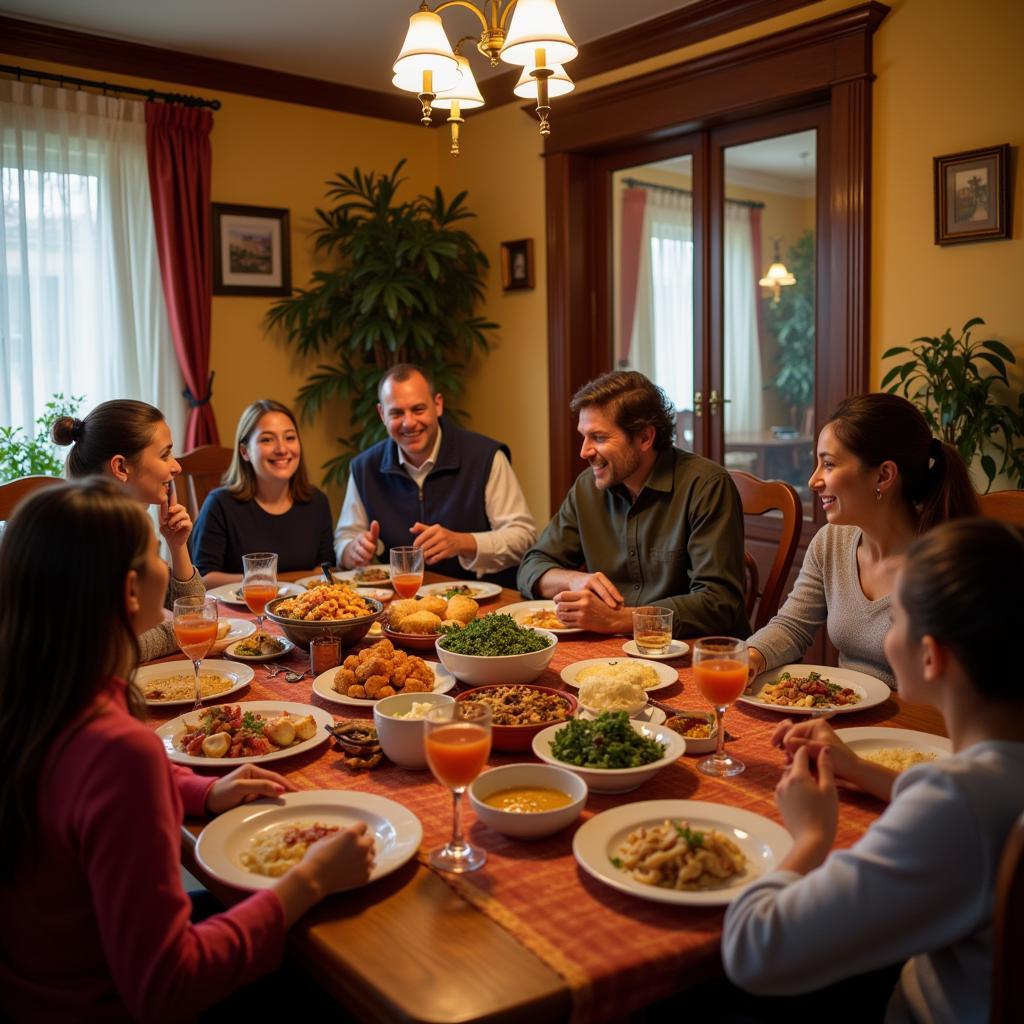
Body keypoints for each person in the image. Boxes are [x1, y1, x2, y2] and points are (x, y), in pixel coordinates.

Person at [0, 478, 375, 1021]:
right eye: (153, 554)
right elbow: (168, 985)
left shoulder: (33, 700)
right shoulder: (122, 751)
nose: (165, 566)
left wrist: (202, 789)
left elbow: (80, 789)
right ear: (131, 590)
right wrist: (310, 880)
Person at [722, 517, 1024, 1022]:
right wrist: (862, 770)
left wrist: (812, 835)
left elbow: (754, 950)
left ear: (930, 658)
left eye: (897, 621)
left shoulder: (956, 804)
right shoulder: (989, 781)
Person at [746, 393, 978, 687]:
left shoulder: (947, 565)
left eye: (828, 465)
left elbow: (964, 686)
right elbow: (793, 626)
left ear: (883, 476)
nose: (813, 481)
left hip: (919, 725)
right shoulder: (831, 541)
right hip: (844, 712)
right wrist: (750, 656)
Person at [517, 370, 748, 638]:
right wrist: (572, 579)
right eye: (584, 436)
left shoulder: (707, 486)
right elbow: (531, 567)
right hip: (616, 652)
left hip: (699, 655)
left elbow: (719, 603)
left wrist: (619, 620)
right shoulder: (586, 488)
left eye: (599, 438)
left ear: (644, 438)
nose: (584, 451)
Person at [335, 364, 536, 589]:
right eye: (396, 413)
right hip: (400, 605)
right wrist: (351, 551)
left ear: (438, 405)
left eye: (418, 409)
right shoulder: (364, 467)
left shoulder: (486, 457)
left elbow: (523, 537)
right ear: (382, 414)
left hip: (480, 604)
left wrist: (464, 543)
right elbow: (344, 539)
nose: (409, 422)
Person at [53, 399, 205, 662]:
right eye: (164, 454)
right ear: (121, 467)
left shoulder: (126, 529)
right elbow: (112, 650)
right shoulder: (82, 541)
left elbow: (194, 613)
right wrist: (180, 631)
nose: (176, 466)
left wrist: (177, 546)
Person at [190, 399, 335, 585]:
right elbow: (204, 578)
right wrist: (267, 581)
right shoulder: (219, 504)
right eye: (267, 439)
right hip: (240, 611)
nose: (282, 449)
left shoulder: (317, 501)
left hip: (302, 611)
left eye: (290, 437)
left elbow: (324, 568)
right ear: (245, 452)